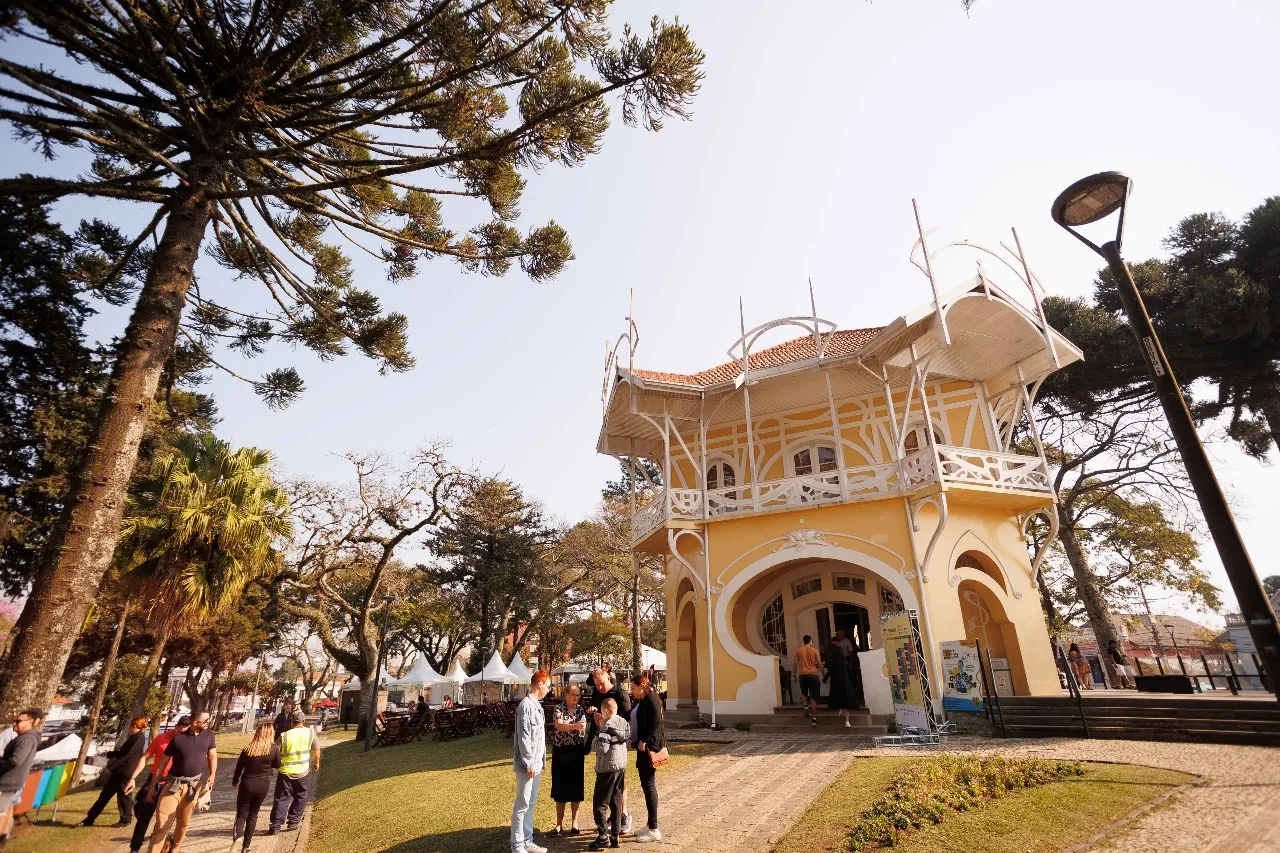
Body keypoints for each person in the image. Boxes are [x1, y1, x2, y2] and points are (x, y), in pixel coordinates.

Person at [146, 711, 216, 853]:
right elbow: (162, 765)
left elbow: (212, 756)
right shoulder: (178, 740)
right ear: (195, 723)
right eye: (206, 720)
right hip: (172, 786)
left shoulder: (209, 736)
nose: (208, 722)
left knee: (183, 823)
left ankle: (175, 849)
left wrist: (212, 774)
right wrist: (152, 788)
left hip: (193, 786)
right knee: (161, 824)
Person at [124, 716, 189, 853]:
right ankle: (135, 848)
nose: (179, 731)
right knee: (144, 815)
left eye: (183, 729)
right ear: (176, 725)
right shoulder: (161, 738)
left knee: (165, 820)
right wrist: (133, 777)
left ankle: (158, 844)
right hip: (155, 779)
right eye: (178, 727)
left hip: (173, 783)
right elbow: (145, 757)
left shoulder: (189, 742)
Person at [585, 667, 632, 834]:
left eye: (602, 684)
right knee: (610, 787)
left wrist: (607, 720)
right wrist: (594, 713)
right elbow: (596, 716)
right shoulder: (597, 694)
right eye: (596, 685)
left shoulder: (620, 694)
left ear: (609, 679)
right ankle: (615, 820)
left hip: (616, 746)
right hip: (603, 745)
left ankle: (624, 815)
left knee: (619, 785)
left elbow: (627, 719)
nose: (599, 688)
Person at [80, 715, 149, 827]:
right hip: (120, 771)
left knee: (124, 796)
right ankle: (90, 818)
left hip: (125, 771)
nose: (129, 729)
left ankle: (125, 820)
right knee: (106, 795)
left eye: (130, 726)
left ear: (134, 726)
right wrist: (109, 754)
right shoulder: (135, 737)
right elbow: (123, 752)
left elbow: (128, 755)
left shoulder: (138, 737)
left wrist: (110, 767)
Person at [511, 669, 551, 853]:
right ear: (539, 684)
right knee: (522, 804)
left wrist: (538, 763)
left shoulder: (536, 705)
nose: (549, 689)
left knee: (531, 802)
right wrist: (529, 763)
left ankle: (527, 840)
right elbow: (524, 738)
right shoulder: (525, 706)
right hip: (529, 765)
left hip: (537, 764)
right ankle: (517, 845)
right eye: (548, 685)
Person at [232, 721, 281, 852]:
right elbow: (277, 764)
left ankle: (238, 837)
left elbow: (239, 768)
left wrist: (235, 781)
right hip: (263, 784)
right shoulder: (273, 749)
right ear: (271, 734)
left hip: (247, 783)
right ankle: (246, 846)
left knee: (242, 814)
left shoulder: (248, 749)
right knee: (253, 814)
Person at [268, 710, 319, 834]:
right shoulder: (311, 732)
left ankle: (276, 825)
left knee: (281, 798)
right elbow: (316, 748)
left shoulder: (284, 735)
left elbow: (274, 751)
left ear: (292, 722)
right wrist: (317, 762)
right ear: (303, 721)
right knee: (301, 796)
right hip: (302, 771)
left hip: (285, 772)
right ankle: (293, 821)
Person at [588, 698, 629, 851]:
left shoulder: (607, 725)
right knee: (616, 802)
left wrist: (594, 739)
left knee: (600, 803)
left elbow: (602, 748)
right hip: (620, 767)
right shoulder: (623, 722)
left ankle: (603, 836)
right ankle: (615, 835)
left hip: (607, 768)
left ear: (606, 711)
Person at [0, 707, 43, 849]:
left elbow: (16, 760)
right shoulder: (25, 738)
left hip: (7, 781)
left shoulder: (26, 739)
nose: (14, 723)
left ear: (30, 722)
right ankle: (3, 837)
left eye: (18, 721)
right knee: (6, 810)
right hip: (12, 781)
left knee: (1, 812)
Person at [628, 675, 665, 843]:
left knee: (649, 786)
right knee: (646, 784)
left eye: (634, 688)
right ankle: (650, 824)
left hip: (649, 748)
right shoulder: (645, 699)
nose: (632, 691)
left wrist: (645, 740)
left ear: (642, 686)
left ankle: (654, 829)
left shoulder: (651, 699)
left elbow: (656, 723)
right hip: (643, 747)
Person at [548, 684, 588, 836]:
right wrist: (575, 726)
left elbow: (583, 727)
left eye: (578, 695)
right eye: (573, 694)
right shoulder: (559, 708)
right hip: (561, 751)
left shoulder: (580, 710)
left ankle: (575, 824)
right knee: (560, 788)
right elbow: (559, 726)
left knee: (576, 789)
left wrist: (581, 727)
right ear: (566, 694)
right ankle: (558, 824)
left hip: (576, 750)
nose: (576, 697)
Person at [823, 639, 858, 728]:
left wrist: (825, 678)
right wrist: (854, 685)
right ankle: (847, 721)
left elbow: (829, 672)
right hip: (846, 684)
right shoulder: (845, 662)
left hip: (836, 684)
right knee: (846, 701)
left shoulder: (833, 663)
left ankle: (841, 710)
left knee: (839, 698)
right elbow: (850, 674)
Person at [792, 634, 822, 726]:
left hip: (802, 674)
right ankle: (814, 718)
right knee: (813, 697)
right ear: (810, 641)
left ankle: (805, 706)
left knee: (804, 692)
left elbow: (795, 664)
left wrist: (794, 675)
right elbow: (820, 664)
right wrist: (824, 674)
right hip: (812, 674)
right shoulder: (814, 650)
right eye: (812, 641)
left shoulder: (799, 650)